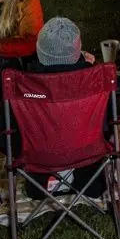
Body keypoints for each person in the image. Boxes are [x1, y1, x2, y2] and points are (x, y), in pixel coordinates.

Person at [25, 17, 105, 198]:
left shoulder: (25, 85)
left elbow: (4, 123)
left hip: (39, 153)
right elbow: (109, 115)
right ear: (77, 52)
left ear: (39, 51)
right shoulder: (93, 80)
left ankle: (39, 187)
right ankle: (88, 185)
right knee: (94, 130)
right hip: (85, 151)